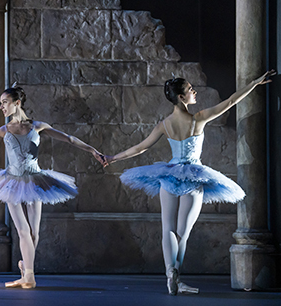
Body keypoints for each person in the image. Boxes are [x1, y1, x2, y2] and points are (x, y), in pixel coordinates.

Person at [101, 71, 274, 295]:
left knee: (168, 229)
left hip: (169, 176)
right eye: (190, 89)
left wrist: (113, 158)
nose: (195, 91)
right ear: (181, 98)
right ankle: (176, 276)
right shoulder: (198, 118)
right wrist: (254, 83)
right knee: (183, 231)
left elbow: (140, 148)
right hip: (193, 176)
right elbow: (230, 101)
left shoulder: (165, 124)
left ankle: (170, 275)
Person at [0, 86, 104, 289]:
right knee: (22, 229)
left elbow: (69, 138)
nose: (1, 106)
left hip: (36, 180)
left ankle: (26, 266)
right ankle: (29, 276)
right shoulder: (2, 131)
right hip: (11, 181)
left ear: (16, 103)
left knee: (34, 233)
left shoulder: (37, 126)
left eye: (4, 102)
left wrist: (92, 151)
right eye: (1, 103)